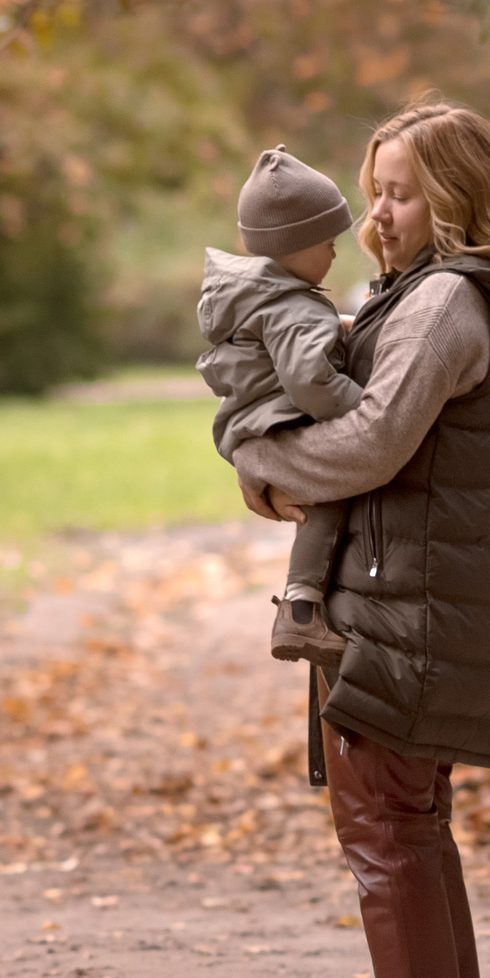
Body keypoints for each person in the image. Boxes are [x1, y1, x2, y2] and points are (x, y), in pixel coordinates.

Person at [232, 101, 490, 978]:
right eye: (374, 188)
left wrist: (256, 460)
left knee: (383, 827)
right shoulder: (421, 295)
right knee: (406, 827)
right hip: (403, 591)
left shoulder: (442, 306)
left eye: (401, 190)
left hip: (403, 605)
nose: (379, 209)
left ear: (454, 195)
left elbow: (370, 445)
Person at [195, 145, 362, 669]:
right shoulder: (293, 311)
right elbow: (311, 381)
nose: (335, 254)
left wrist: (339, 326)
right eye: (328, 243)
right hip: (279, 419)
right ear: (295, 246)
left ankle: (306, 601)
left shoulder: (262, 296)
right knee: (333, 486)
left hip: (252, 419)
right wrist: (367, 406)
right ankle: (302, 611)